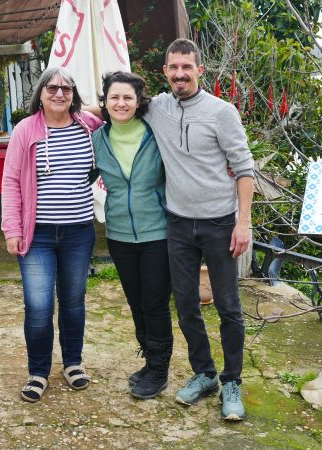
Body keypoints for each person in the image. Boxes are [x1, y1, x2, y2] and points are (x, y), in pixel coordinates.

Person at [146, 38, 254, 421]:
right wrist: (64, 108)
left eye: (186, 67)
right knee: (186, 305)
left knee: (229, 307)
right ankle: (205, 374)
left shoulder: (221, 112)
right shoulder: (156, 108)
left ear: (199, 70)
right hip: (177, 223)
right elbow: (115, 105)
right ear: (165, 71)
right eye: (173, 68)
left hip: (220, 224)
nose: (180, 74)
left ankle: (232, 382)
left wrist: (243, 222)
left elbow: (244, 168)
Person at [1, 67, 103, 403]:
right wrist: (12, 229)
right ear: (40, 93)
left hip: (79, 232)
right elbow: (10, 181)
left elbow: (118, 111)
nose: (59, 93)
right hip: (38, 235)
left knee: (73, 301)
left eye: (67, 89)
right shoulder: (25, 130)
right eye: (52, 88)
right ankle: (38, 372)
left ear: (74, 95)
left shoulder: (88, 126)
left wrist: (90, 108)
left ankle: (73, 363)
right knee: (38, 305)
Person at [90, 71, 173, 400]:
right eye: (114, 97)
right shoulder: (97, 139)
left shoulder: (156, 133)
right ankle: (150, 361)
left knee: (155, 303)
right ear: (105, 102)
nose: (121, 103)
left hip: (157, 233)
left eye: (128, 97)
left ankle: (159, 370)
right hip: (119, 234)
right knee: (136, 302)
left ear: (139, 102)